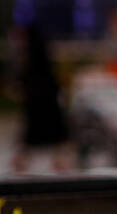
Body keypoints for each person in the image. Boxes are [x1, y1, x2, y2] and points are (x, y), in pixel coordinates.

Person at [9, 23, 73, 174]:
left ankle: (20, 172)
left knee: (32, 141)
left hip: (38, 107)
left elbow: (25, 82)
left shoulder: (31, 57)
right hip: (47, 107)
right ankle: (61, 171)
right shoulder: (39, 56)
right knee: (56, 140)